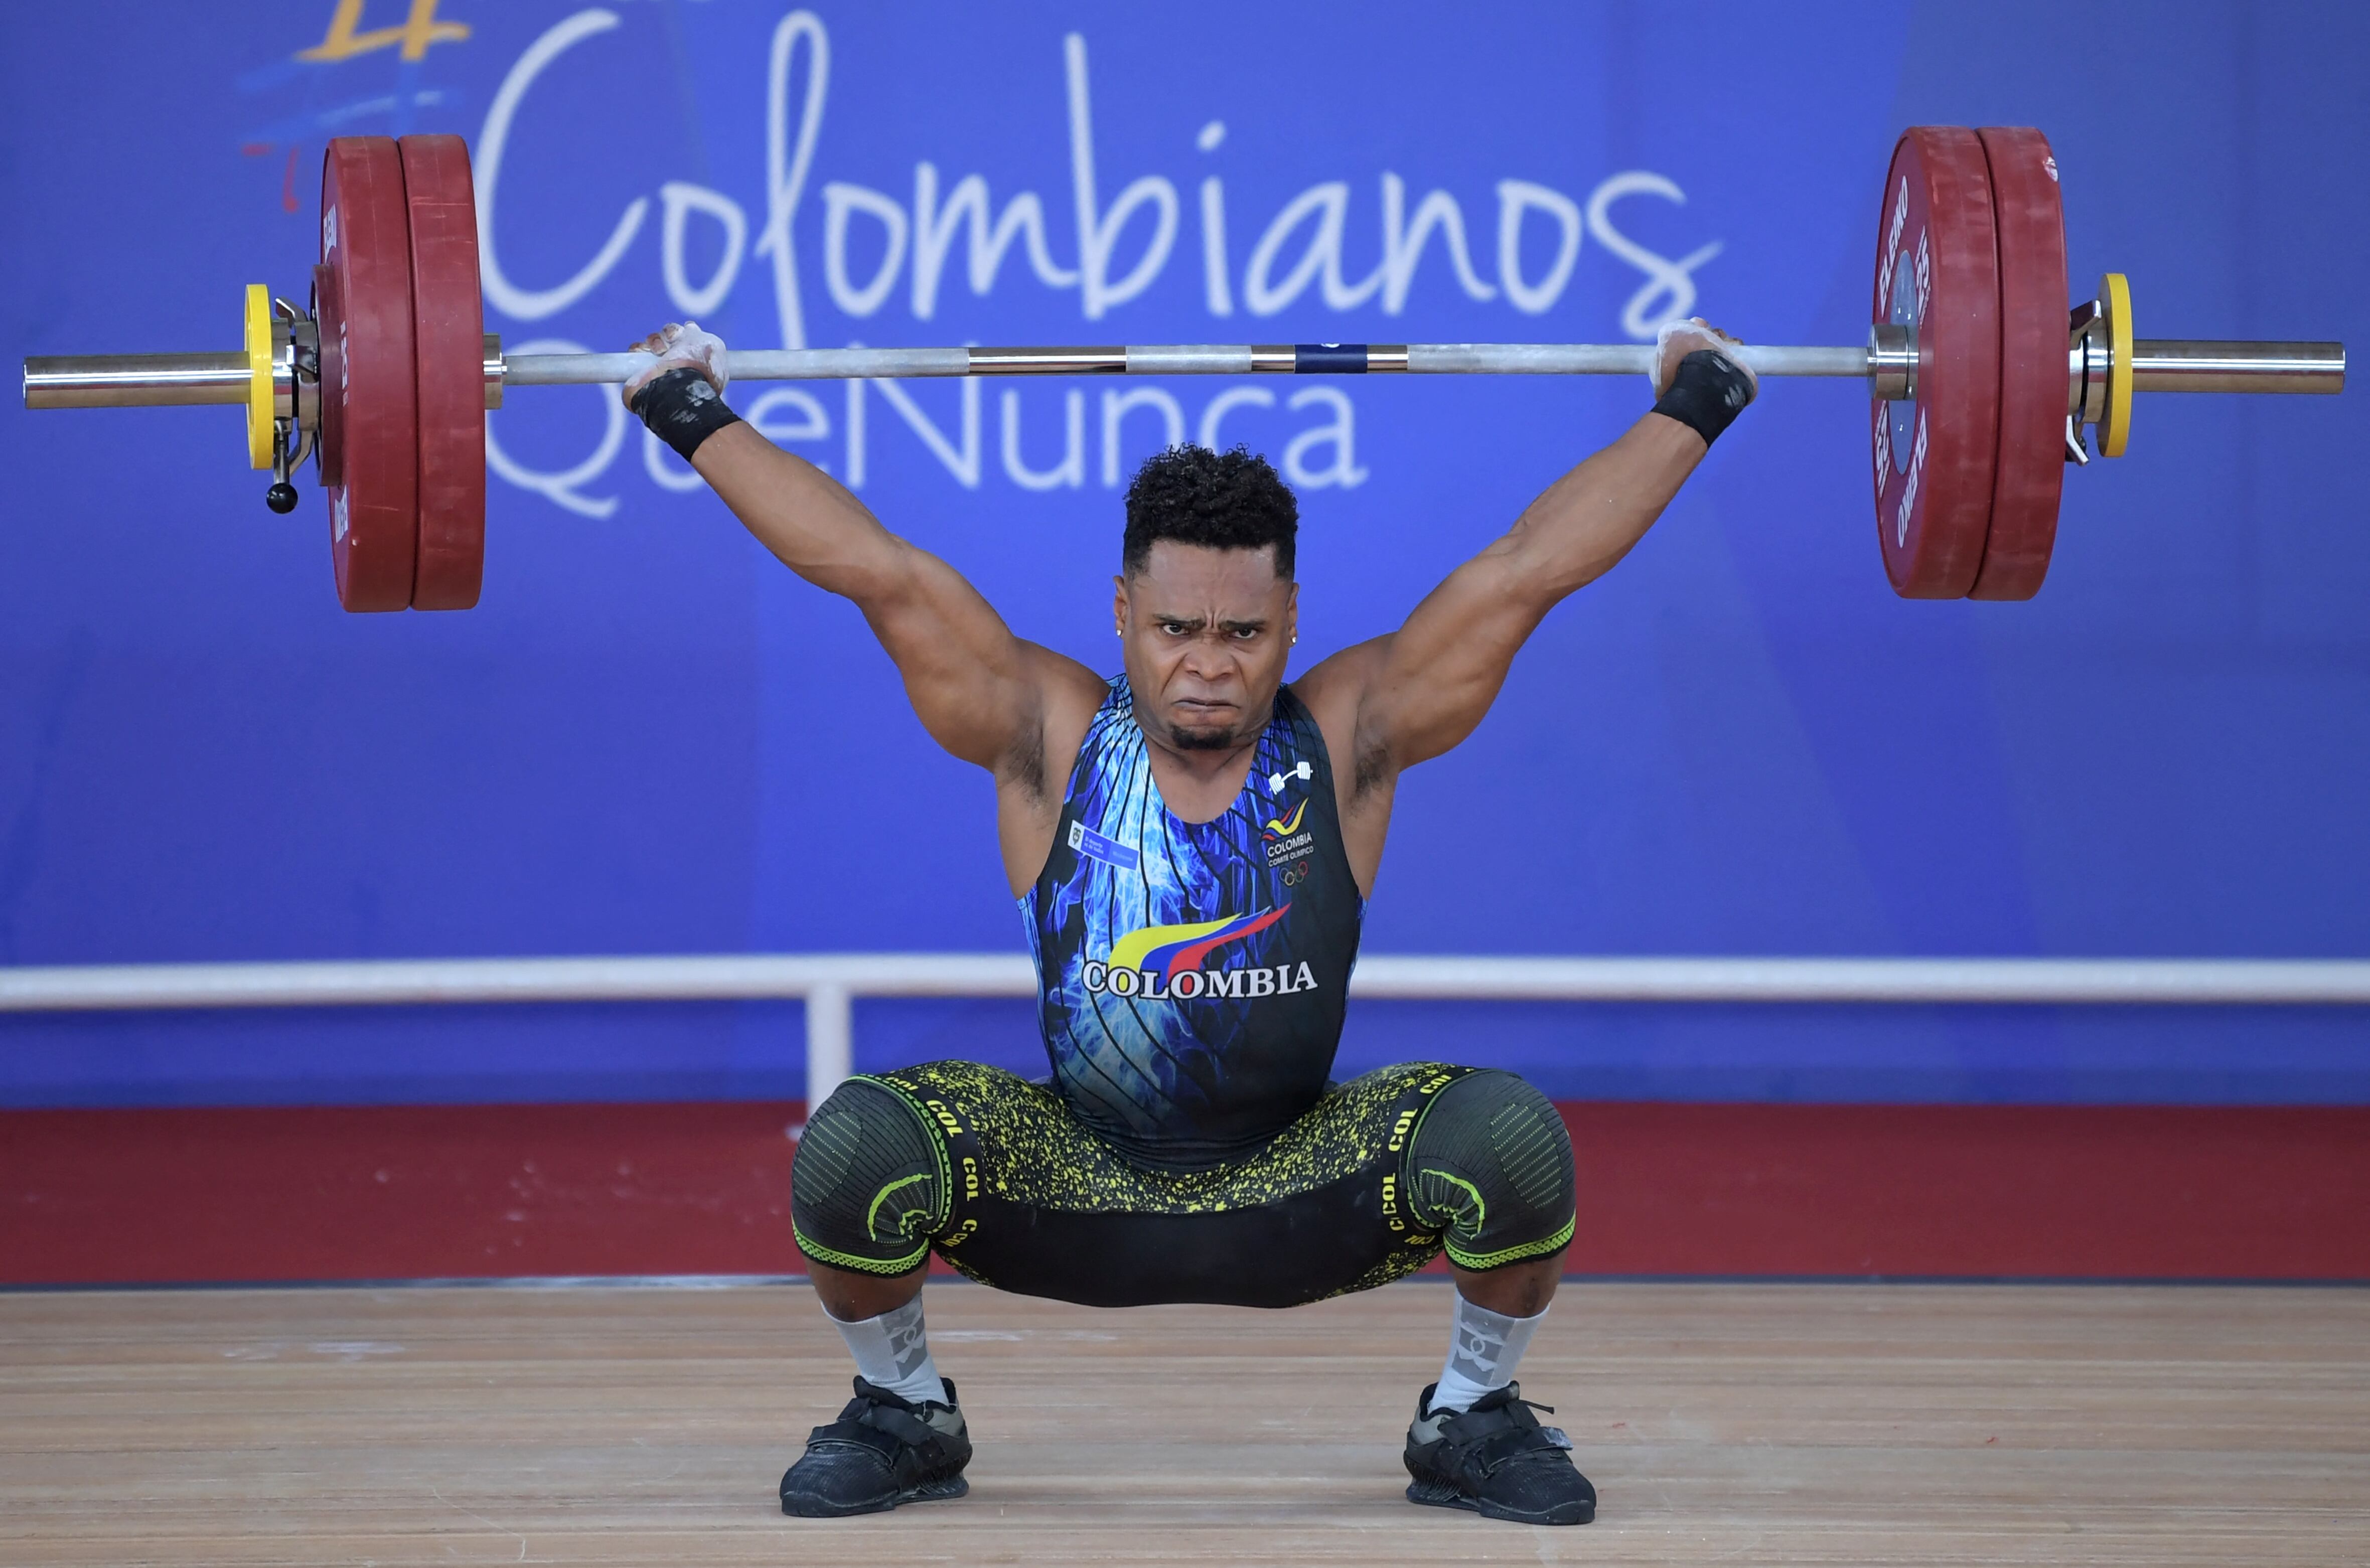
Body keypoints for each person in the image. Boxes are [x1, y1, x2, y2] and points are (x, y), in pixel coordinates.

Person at [620, 319, 1756, 1528]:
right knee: (856, 1146)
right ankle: (904, 1408)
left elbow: (1529, 566)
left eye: (1241, 632)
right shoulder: (1043, 731)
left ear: (1290, 621)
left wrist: (1699, 397)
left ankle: (1471, 1413)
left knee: (1509, 1139)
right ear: (1122, 610)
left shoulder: (1350, 737)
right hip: (1076, 1179)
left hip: (1298, 1180)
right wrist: (687, 410)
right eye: (1175, 629)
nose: (1207, 664)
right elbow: (873, 568)